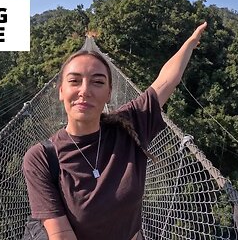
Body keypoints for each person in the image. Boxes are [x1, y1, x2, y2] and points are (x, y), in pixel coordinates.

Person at [23, 22, 207, 240]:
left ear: (109, 93)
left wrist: (189, 44)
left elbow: (166, 82)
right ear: (61, 91)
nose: (84, 91)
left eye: (97, 82)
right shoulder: (41, 158)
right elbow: (61, 236)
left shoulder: (129, 126)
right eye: (74, 81)